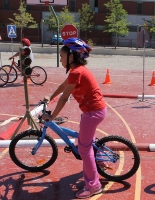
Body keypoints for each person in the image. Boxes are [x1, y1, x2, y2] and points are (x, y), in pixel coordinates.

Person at [42, 38, 106, 199]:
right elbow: (63, 86)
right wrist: (50, 96)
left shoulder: (77, 72)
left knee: (83, 148)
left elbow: (64, 98)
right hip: (93, 110)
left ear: (71, 56)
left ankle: (94, 186)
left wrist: (51, 116)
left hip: (93, 112)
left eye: (62, 56)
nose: (60, 59)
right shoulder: (77, 71)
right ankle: (98, 157)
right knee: (86, 141)